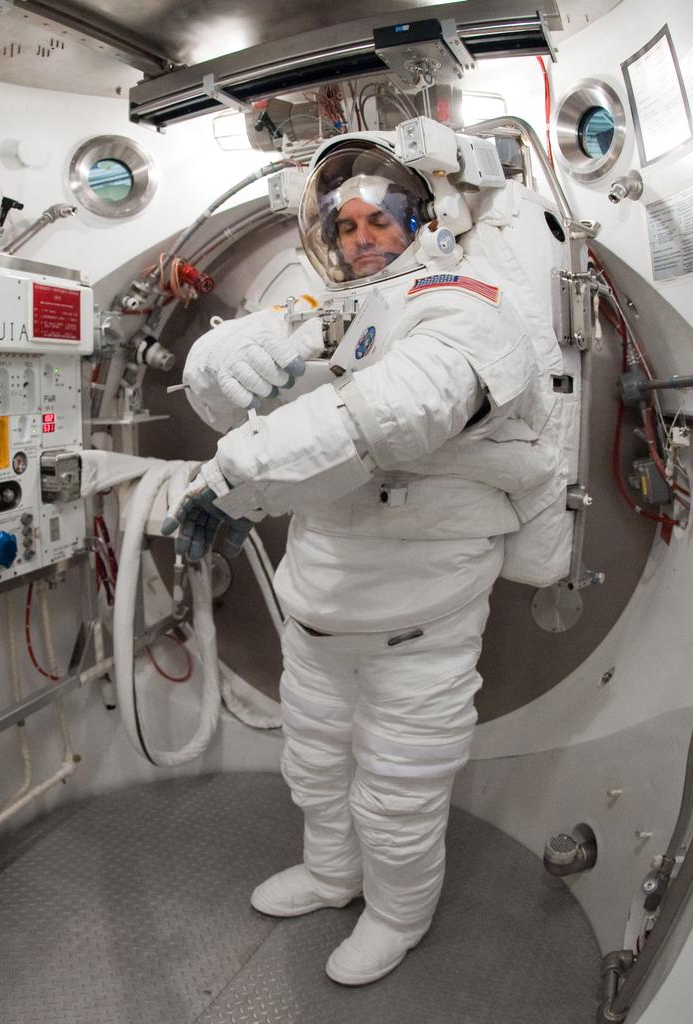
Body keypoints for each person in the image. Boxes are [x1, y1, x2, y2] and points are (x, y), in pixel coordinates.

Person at [165, 132, 562, 985]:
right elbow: (215, 377)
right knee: (312, 761)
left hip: (420, 615)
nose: (361, 240)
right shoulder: (326, 315)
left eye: (380, 221)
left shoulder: (464, 302)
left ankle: (397, 914)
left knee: (397, 790)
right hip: (319, 601)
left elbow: (399, 410)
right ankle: (332, 875)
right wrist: (225, 361)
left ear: (422, 221)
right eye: (344, 228)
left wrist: (236, 479)